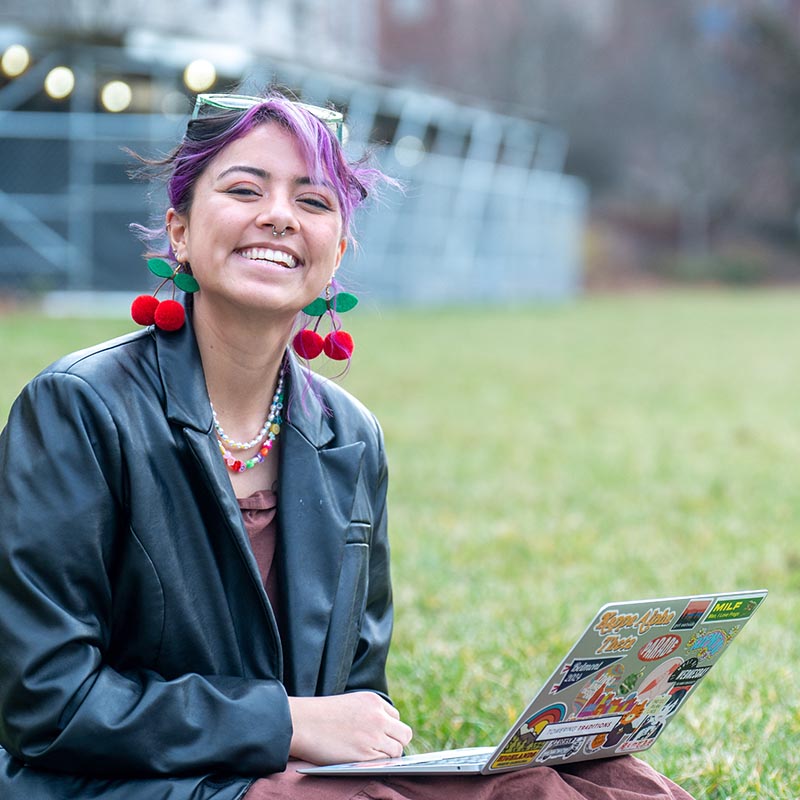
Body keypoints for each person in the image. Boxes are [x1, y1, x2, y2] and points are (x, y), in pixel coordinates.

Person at [0, 91, 696, 800]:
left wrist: (369, 738)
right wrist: (287, 721)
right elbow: (44, 703)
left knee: (605, 778)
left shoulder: (349, 434)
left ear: (338, 252)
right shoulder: (79, 408)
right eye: (244, 189)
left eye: (314, 201)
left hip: (295, 776)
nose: (278, 216)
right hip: (123, 784)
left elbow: (356, 693)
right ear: (178, 231)